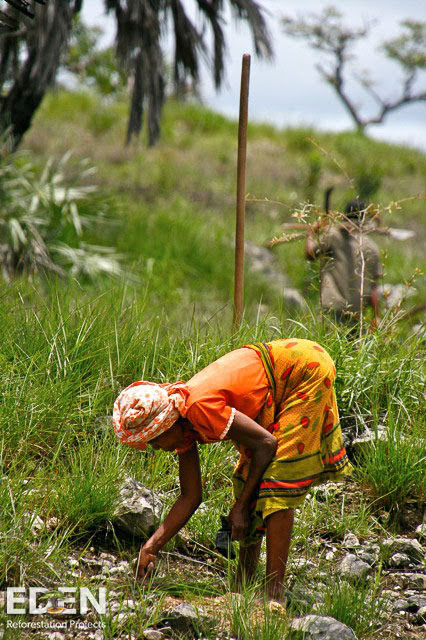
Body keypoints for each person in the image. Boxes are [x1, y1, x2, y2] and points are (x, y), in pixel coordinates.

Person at [113, 338, 352, 602]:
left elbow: (266, 444)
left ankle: (274, 593)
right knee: (247, 481)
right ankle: (245, 580)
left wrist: (240, 507)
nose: (156, 448)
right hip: (276, 382)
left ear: (167, 424)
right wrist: (151, 546)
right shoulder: (181, 424)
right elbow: (190, 496)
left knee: (277, 482)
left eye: (155, 440)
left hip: (304, 369)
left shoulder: (196, 408)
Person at [305, 200, 381, 330]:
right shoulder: (373, 249)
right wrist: (376, 316)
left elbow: (310, 254)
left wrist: (311, 233)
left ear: (344, 216)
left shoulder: (334, 236)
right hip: (356, 312)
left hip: (331, 308)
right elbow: (374, 287)